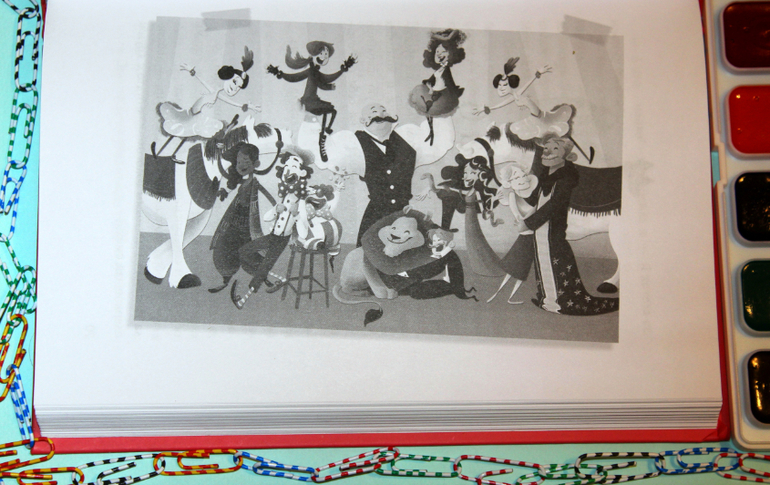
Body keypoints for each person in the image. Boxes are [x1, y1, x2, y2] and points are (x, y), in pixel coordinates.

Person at [516, 134, 618, 315]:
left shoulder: (566, 178)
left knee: (555, 263)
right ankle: (546, 299)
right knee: (542, 261)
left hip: (553, 231)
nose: (547, 152)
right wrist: (513, 190)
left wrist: (529, 223)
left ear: (567, 156)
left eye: (555, 148)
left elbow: (554, 205)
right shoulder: (545, 176)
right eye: (546, 148)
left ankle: (562, 302)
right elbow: (533, 200)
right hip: (540, 232)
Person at [230, 148, 315, 309]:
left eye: (293, 167)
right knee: (244, 251)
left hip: (281, 240)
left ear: (302, 173)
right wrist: (276, 209)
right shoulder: (285, 195)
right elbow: (266, 217)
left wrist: (296, 214)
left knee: (264, 266)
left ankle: (242, 301)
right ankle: (277, 278)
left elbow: (303, 231)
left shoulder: (301, 202)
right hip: (272, 235)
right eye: (286, 166)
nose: (288, 170)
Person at [152, 46, 260, 161]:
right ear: (228, 76)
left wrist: (246, 106)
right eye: (234, 82)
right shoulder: (213, 89)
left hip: (198, 119)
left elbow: (229, 101)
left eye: (238, 87)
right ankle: (160, 151)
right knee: (178, 129)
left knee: (186, 133)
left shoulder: (218, 94)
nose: (235, 88)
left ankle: (171, 154)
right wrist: (192, 71)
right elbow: (203, 82)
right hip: (191, 115)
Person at [208, 142, 279, 294]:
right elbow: (225, 174)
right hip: (233, 223)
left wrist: (276, 210)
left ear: (256, 163)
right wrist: (224, 192)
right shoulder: (242, 181)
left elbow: (268, 198)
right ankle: (225, 281)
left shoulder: (256, 183)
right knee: (224, 249)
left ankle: (266, 280)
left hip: (250, 228)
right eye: (239, 162)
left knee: (253, 255)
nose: (241, 165)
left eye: (246, 161)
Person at [267, 41, 357, 161]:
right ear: (315, 54)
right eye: (322, 53)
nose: (324, 57)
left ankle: (323, 135)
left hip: (313, 99)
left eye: (326, 54)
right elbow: (295, 77)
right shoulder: (312, 70)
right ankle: (323, 137)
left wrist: (342, 71)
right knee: (330, 111)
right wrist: (277, 72)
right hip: (308, 101)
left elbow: (321, 81)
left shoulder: (315, 71)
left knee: (331, 111)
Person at [408, 29, 467, 145]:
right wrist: (429, 86)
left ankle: (435, 134)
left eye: (443, 51)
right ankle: (431, 132)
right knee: (428, 112)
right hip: (434, 93)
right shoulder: (440, 69)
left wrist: (441, 92)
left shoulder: (446, 70)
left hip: (441, 97)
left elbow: (449, 84)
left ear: (451, 54)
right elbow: (431, 80)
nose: (439, 54)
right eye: (437, 51)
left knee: (432, 113)